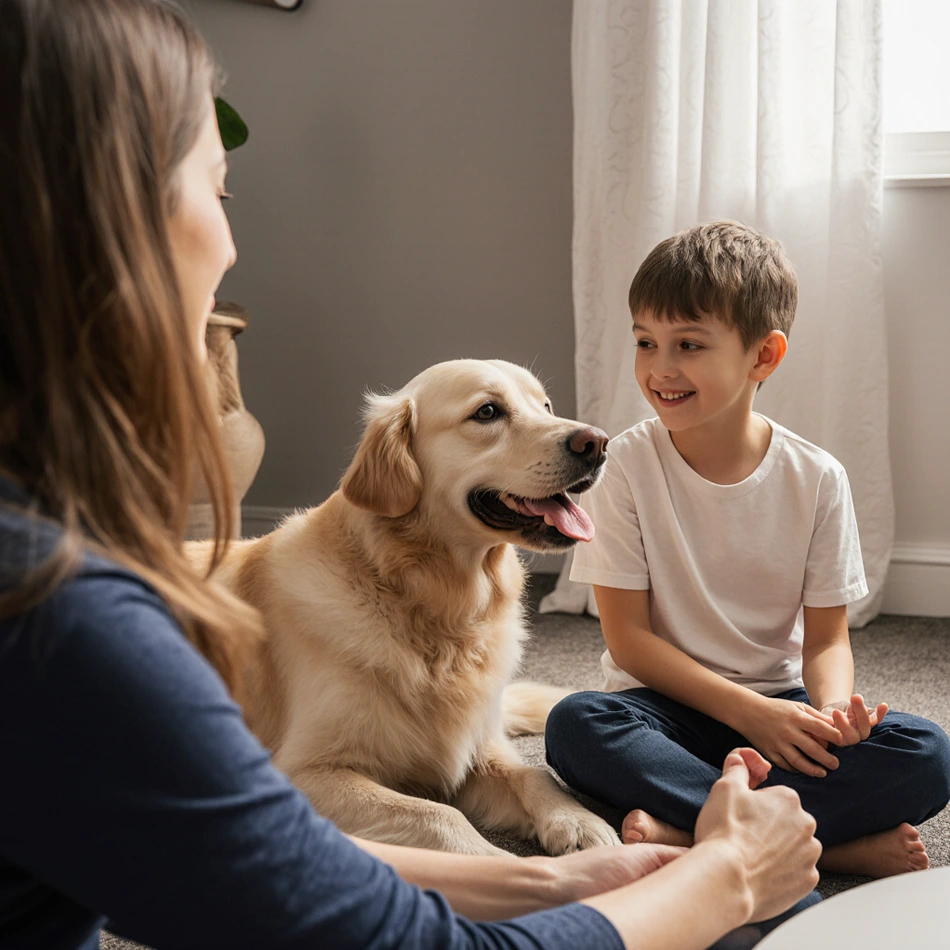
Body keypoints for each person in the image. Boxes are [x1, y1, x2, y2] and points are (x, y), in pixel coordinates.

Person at [0, 2, 822, 948]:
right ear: (111, 218)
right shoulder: (62, 617)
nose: (230, 244)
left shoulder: (44, 573)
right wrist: (724, 876)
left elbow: (235, 856)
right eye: (219, 192)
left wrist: (561, 878)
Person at [545, 221, 950, 881]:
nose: (660, 368)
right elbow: (629, 643)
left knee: (928, 752)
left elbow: (826, 640)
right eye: (646, 342)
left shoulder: (817, 478)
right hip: (663, 707)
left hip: (780, 704)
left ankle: (688, 833)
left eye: (689, 345)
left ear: (763, 357)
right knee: (577, 724)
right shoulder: (622, 468)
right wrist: (749, 715)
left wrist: (829, 713)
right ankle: (825, 845)